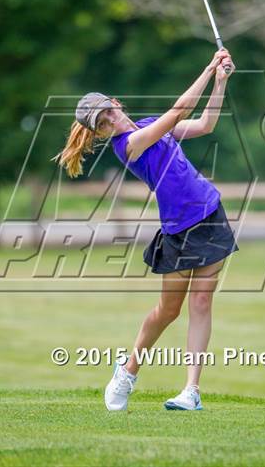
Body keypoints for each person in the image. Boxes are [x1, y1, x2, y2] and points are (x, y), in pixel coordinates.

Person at [54, 47, 238, 411]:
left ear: (117, 103)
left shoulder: (147, 124)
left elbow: (204, 124)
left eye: (108, 111)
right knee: (168, 310)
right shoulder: (129, 145)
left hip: (211, 213)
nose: (109, 120)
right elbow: (179, 111)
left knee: (201, 301)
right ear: (100, 134)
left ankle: (191, 391)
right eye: (102, 123)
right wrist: (208, 67)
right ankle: (128, 368)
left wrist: (220, 81)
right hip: (178, 229)